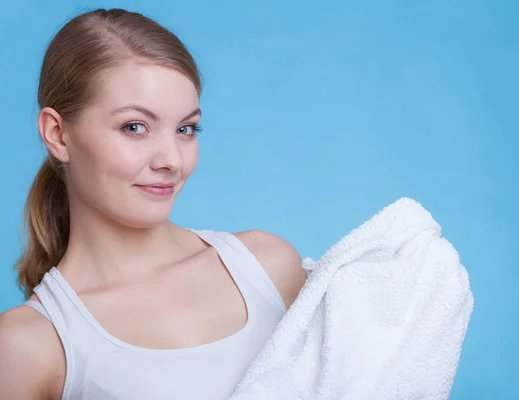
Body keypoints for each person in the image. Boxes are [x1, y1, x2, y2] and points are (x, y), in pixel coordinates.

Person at [0, 8, 307, 400]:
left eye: (186, 129)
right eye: (135, 127)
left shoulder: (268, 268)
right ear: (58, 134)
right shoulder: (31, 344)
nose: (172, 161)